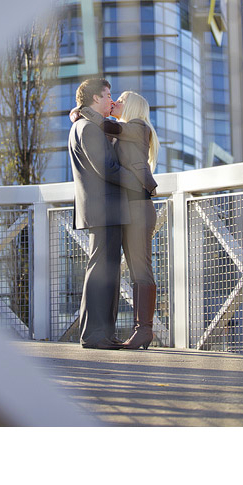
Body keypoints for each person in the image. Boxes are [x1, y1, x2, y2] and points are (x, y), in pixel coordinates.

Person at [72, 91, 160, 350]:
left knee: (141, 268)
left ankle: (144, 330)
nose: (114, 103)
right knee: (134, 269)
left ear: (131, 106)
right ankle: (138, 330)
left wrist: (80, 111)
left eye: (119, 100)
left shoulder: (138, 126)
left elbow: (106, 126)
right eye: (112, 99)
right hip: (128, 208)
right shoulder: (124, 131)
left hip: (139, 208)